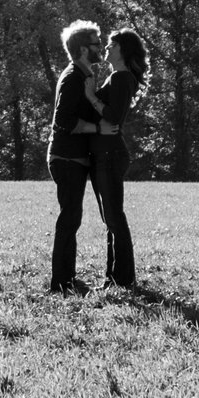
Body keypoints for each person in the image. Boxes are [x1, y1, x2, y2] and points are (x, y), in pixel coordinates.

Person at [44, 19, 103, 293]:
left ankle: (67, 277)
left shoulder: (82, 75)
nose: (100, 48)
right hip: (66, 159)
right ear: (82, 49)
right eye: (96, 44)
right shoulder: (72, 78)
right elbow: (63, 121)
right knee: (70, 218)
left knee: (73, 217)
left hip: (72, 159)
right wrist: (97, 127)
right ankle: (61, 282)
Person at [90, 27, 148, 289]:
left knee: (114, 218)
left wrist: (91, 97)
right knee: (111, 219)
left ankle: (123, 278)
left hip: (111, 153)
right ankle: (114, 277)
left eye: (111, 45)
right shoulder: (117, 77)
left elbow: (113, 117)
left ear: (123, 50)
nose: (106, 48)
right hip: (106, 152)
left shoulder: (122, 78)